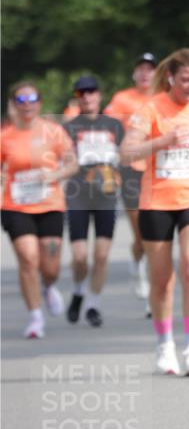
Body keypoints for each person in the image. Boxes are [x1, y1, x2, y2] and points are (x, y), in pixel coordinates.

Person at [119, 48, 189, 376]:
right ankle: (165, 345)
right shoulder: (149, 109)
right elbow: (126, 153)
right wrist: (163, 140)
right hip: (157, 200)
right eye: (186, 80)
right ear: (171, 78)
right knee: (162, 280)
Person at [1, 81, 78, 338]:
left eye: (32, 98)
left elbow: (72, 164)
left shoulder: (53, 132)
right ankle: (35, 317)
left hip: (50, 205)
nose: (27, 104)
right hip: (16, 206)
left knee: (50, 265)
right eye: (21, 100)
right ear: (13, 105)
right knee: (27, 259)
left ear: (39, 103)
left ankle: (48, 286)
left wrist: (54, 174)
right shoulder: (5, 137)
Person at [63, 76, 124, 328]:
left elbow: (126, 155)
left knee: (100, 255)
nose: (87, 96)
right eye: (82, 93)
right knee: (80, 257)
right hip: (78, 193)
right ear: (77, 97)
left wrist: (120, 174)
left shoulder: (114, 125)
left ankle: (93, 304)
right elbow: (62, 159)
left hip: (105, 195)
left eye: (91, 92)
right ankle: (78, 291)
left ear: (100, 95)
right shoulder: (68, 127)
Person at [104, 53, 156, 300]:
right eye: (141, 68)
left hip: (159, 171)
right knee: (140, 232)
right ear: (134, 73)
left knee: (155, 229)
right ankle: (138, 263)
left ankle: (152, 277)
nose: (145, 73)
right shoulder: (122, 99)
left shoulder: (164, 98)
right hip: (131, 170)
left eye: (150, 68)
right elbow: (108, 131)